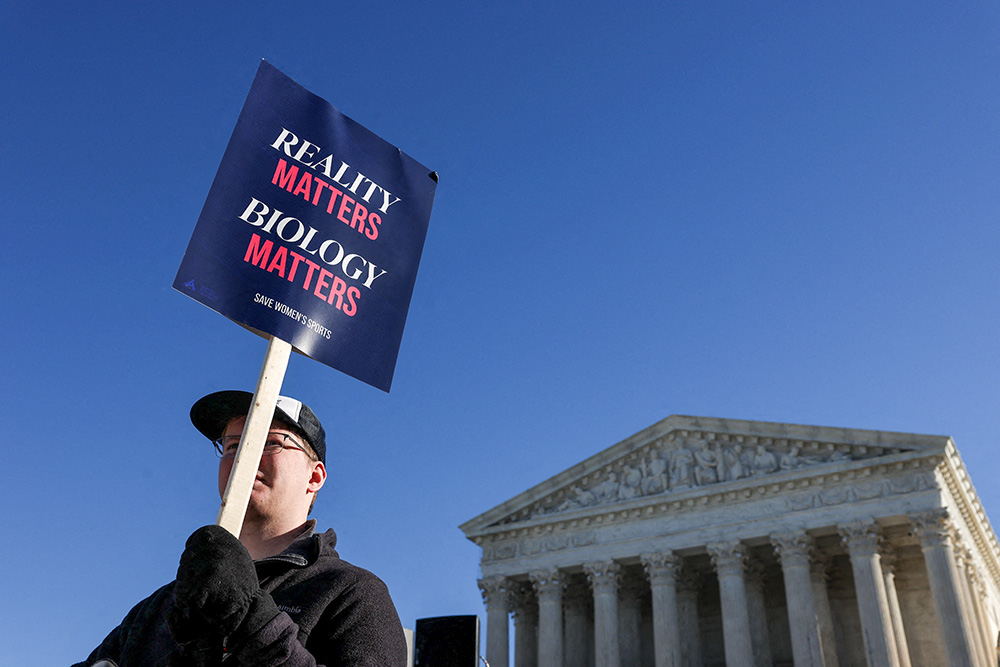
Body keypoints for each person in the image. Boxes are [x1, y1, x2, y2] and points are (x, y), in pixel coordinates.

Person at [73, 390, 407, 667]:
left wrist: (250, 620)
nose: (243, 455)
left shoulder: (351, 593)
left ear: (315, 477)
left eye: (270, 442)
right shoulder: (159, 607)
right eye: (232, 445)